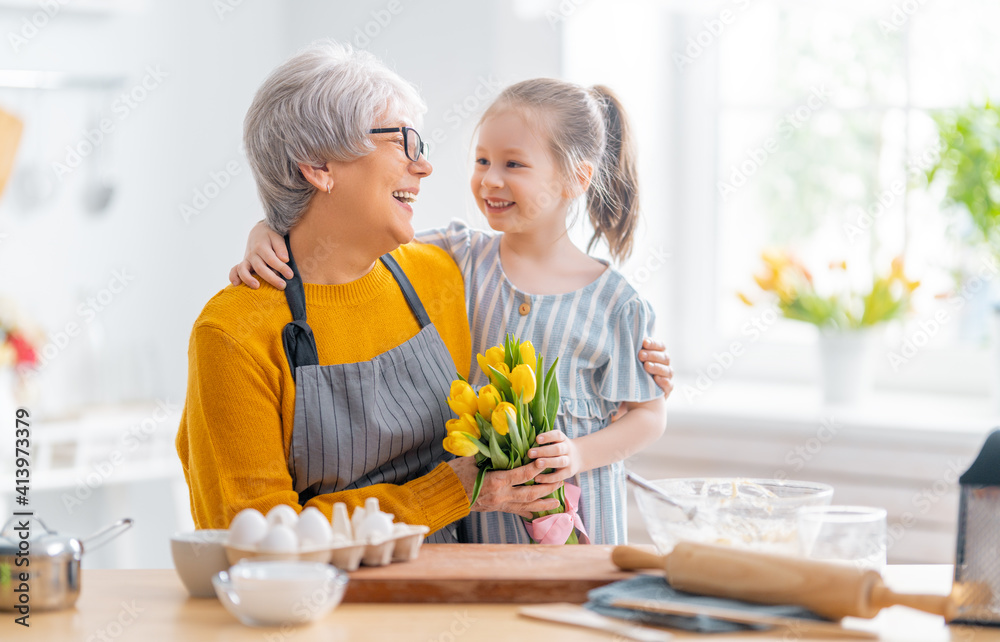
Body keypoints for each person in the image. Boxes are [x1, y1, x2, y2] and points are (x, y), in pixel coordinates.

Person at [231, 76, 672, 545]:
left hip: (582, 538)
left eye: (513, 164)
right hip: (482, 530)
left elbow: (648, 417)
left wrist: (579, 455)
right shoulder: (459, 257)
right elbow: (355, 235)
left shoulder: (616, 305)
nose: (490, 178)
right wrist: (268, 228)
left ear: (576, 178)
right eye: (482, 160)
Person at [176, 42, 571, 539]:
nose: (423, 166)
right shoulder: (232, 334)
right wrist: (448, 491)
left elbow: (552, 277)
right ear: (318, 165)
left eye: (420, 145)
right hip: (324, 611)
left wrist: (640, 349)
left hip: (457, 596)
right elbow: (253, 534)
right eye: (402, 141)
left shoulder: (438, 275)